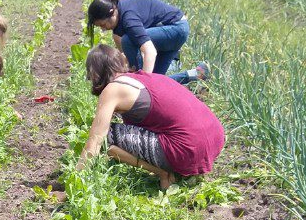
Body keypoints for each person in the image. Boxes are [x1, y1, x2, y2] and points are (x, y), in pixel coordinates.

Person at [80, 44, 224, 190]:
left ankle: (163, 173)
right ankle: (185, 170)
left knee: (106, 135)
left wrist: (75, 187)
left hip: (186, 150)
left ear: (95, 74)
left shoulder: (113, 89)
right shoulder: (146, 78)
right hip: (215, 139)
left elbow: (95, 142)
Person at [87, 0, 207, 85]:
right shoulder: (120, 15)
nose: (103, 29)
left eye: (103, 25)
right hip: (172, 32)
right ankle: (196, 74)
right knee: (156, 82)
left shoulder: (129, 19)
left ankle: (139, 78)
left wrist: (143, 80)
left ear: (112, 12)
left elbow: (150, 51)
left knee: (128, 41)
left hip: (175, 29)